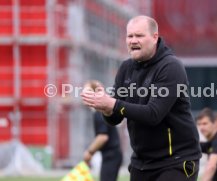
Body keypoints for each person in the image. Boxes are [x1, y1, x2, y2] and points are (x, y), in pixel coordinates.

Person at [81, 15, 201, 181]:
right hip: (142, 162)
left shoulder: (171, 67)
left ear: (154, 37)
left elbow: (153, 114)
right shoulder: (125, 68)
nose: (133, 40)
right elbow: (115, 118)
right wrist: (105, 108)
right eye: (130, 36)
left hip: (176, 161)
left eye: (139, 36)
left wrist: (113, 103)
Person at [83, 111, 122, 181]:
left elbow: (102, 137)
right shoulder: (102, 111)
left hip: (111, 155)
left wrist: (89, 152)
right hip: (113, 154)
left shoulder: (98, 113)